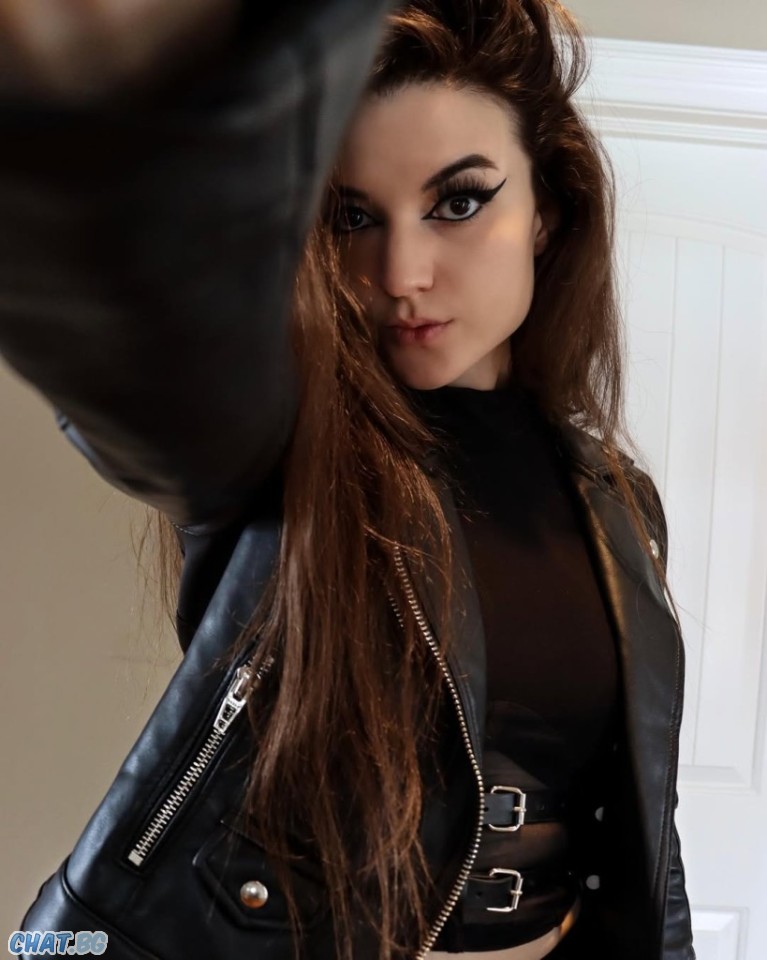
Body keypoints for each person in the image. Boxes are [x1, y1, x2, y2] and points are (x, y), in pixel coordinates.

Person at [0, 1, 695, 959]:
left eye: (458, 202)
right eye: (352, 216)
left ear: (546, 211)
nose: (399, 272)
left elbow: (646, 832)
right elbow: (132, 338)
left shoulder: (616, 500)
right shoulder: (286, 449)